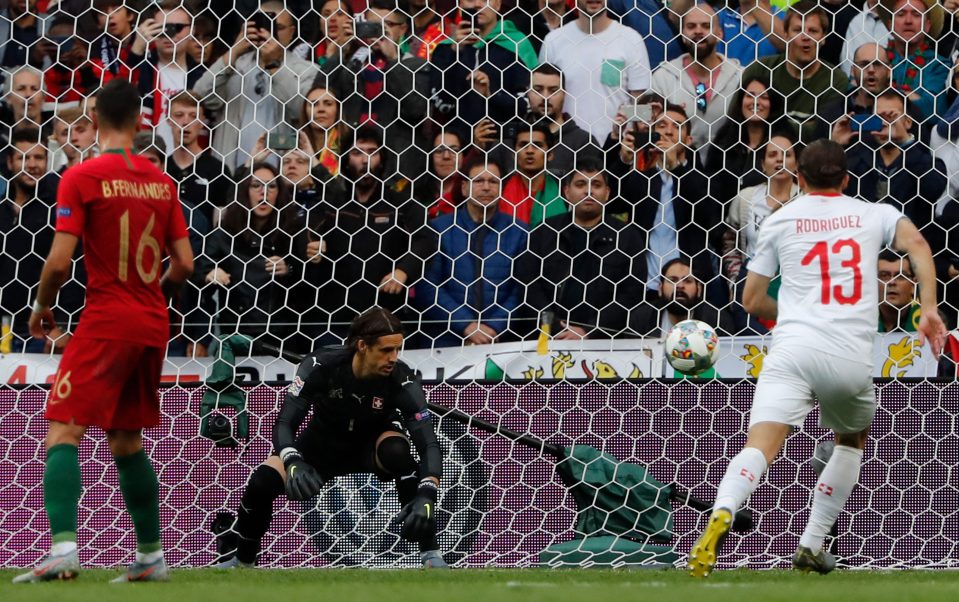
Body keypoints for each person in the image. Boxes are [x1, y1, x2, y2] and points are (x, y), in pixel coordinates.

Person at [686, 139, 947, 578]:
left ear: (799, 178)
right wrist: (930, 306)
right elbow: (919, 244)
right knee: (851, 438)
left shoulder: (780, 220)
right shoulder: (873, 214)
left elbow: (750, 300)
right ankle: (811, 543)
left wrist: (792, 312)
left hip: (790, 349)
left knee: (761, 445)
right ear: (847, 179)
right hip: (847, 353)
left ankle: (724, 507)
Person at [14, 78, 194, 583]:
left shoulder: (82, 176)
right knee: (126, 439)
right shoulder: (163, 183)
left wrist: (42, 307)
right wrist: (152, 295)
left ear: (93, 121)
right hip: (151, 323)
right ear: (141, 122)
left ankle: (63, 548)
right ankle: (151, 557)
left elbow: (56, 262)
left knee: (64, 428)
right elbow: (184, 262)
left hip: (106, 318)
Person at [216, 308, 447, 569]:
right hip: (320, 446)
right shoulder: (321, 365)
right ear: (362, 346)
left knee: (398, 452)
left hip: (371, 447)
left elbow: (428, 444)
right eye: (385, 350)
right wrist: (292, 460)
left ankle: (431, 555)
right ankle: (242, 560)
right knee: (261, 482)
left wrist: (427, 494)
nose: (394, 358)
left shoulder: (402, 380)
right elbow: (284, 423)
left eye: (397, 350)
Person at [518, 156, 655, 340]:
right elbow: (528, 285)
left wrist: (590, 331)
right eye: (581, 184)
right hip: (548, 339)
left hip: (605, 345)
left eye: (596, 185)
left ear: (607, 193)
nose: (588, 191)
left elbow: (632, 293)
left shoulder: (626, 237)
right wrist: (554, 327)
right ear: (567, 191)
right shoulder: (545, 232)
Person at [416, 157, 526, 347]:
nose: (486, 187)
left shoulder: (520, 232)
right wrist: (466, 325)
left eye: (493, 181)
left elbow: (522, 289)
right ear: (465, 188)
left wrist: (494, 327)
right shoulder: (438, 229)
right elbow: (428, 286)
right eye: (478, 181)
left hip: (501, 343)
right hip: (444, 342)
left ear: (502, 188)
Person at [539, 0, 650, 142]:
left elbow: (643, 110)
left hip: (614, 148)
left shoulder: (631, 40)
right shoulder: (554, 41)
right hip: (563, 146)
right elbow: (540, 100)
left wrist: (622, 117)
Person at [648, 2, 742, 161]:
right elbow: (643, 116)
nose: (698, 31)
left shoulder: (739, 76)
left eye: (706, 26)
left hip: (726, 172)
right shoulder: (663, 76)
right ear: (683, 34)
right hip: (676, 171)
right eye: (691, 26)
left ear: (720, 33)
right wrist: (627, 115)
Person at [741, 1, 849, 139]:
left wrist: (766, 121)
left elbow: (822, 132)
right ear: (785, 34)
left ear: (823, 38)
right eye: (798, 30)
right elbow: (736, 119)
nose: (805, 37)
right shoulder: (759, 70)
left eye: (813, 31)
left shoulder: (835, 79)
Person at [656, 257, 735, 337]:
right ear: (660, 289)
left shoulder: (718, 321)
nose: (679, 286)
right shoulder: (644, 318)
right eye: (673, 280)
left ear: (699, 289)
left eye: (688, 281)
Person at [878, 250, 921, 333]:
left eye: (900, 276)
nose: (892, 282)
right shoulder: (859, 322)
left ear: (913, 285)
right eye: (884, 276)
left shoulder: (930, 323)